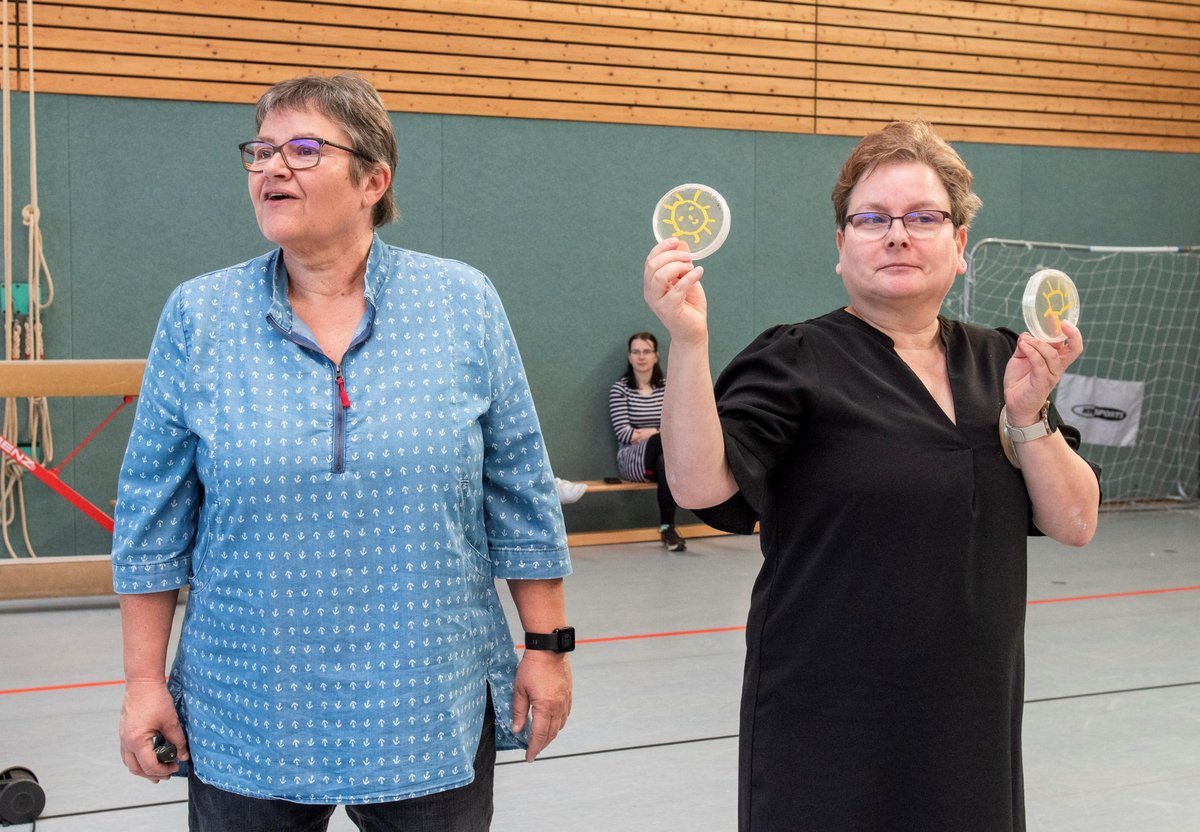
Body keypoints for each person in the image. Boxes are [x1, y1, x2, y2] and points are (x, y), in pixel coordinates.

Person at [112, 73, 574, 832]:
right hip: (247, 703)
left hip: (426, 696)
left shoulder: (462, 302)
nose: (271, 168)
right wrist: (142, 681)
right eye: (259, 150)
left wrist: (548, 648)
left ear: (373, 179)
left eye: (302, 148)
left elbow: (519, 488)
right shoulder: (200, 316)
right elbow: (151, 518)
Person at [643, 120, 1100, 831]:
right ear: (839, 246)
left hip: (970, 717)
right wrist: (689, 340)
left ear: (960, 248)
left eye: (923, 217)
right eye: (872, 218)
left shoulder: (1005, 363)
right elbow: (703, 487)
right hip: (827, 722)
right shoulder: (795, 359)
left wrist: (1029, 415)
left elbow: (1075, 522)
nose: (897, 235)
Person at [607, 331, 686, 551]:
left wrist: (647, 432)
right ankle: (652, 470)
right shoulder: (620, 390)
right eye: (636, 352)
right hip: (631, 460)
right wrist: (659, 432)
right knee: (663, 442)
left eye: (646, 351)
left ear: (656, 356)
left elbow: (678, 427)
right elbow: (624, 433)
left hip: (663, 457)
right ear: (629, 357)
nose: (641, 356)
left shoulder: (667, 388)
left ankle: (667, 530)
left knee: (663, 462)